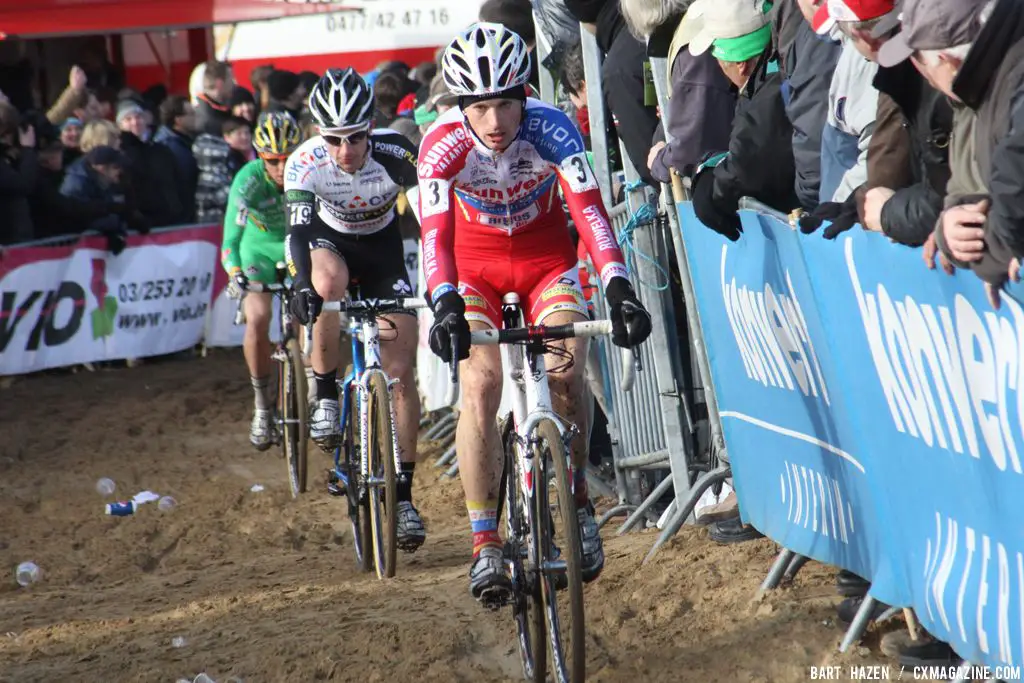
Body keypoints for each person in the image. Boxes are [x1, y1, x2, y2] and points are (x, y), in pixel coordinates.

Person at [421, 22, 652, 602]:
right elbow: (433, 235)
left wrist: (619, 284)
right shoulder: (441, 144)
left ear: (523, 94)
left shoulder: (551, 128)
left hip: (544, 263)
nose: (495, 122)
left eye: (505, 103)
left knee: (567, 375)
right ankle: (485, 543)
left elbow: (592, 214)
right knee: (480, 383)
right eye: (479, 107)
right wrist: (444, 300)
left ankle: (576, 502)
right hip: (473, 272)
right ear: (461, 106)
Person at [284, 67, 426, 552]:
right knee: (325, 284)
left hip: (383, 250)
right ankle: (325, 392)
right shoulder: (304, 163)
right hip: (329, 243)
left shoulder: (396, 151)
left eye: (356, 138)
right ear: (319, 134)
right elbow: (298, 234)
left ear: (373, 127)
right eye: (335, 140)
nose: (346, 151)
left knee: (401, 374)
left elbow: (432, 217)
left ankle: (403, 497)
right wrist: (302, 283)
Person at [221, 112, 303, 449]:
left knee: (306, 312)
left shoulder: (309, 171)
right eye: (272, 161)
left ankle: (308, 385)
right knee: (257, 317)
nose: (282, 168)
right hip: (257, 251)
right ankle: (261, 406)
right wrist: (236, 273)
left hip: (295, 246)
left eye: (288, 159)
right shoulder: (248, 180)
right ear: (259, 157)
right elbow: (230, 238)